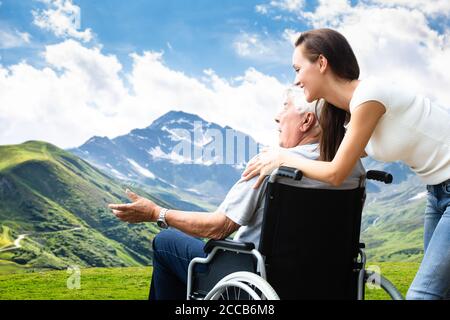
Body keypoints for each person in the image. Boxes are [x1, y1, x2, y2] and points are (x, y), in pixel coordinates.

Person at [242, 28, 450, 300]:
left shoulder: (369, 96)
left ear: (322, 63)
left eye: (297, 69)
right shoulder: (347, 111)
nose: (296, 80)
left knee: (423, 295)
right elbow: (318, 147)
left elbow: (337, 172)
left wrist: (282, 157)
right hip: (437, 194)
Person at [108, 88, 365, 300]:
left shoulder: (272, 164)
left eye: (284, 106)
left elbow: (218, 228)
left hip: (252, 280)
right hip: (323, 283)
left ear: (306, 121)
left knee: (165, 242)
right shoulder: (350, 168)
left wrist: (157, 213)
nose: (277, 117)